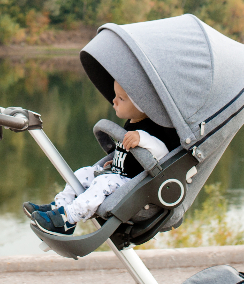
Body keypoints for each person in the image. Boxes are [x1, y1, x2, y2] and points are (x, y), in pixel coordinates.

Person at [24, 79, 180, 234]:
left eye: (121, 98)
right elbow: (130, 155)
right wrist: (118, 162)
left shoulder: (150, 129)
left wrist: (142, 138)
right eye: (115, 96)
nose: (114, 101)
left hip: (133, 186)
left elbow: (162, 155)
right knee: (83, 173)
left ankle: (68, 218)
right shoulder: (130, 123)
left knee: (102, 182)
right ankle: (58, 207)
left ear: (141, 104)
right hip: (118, 175)